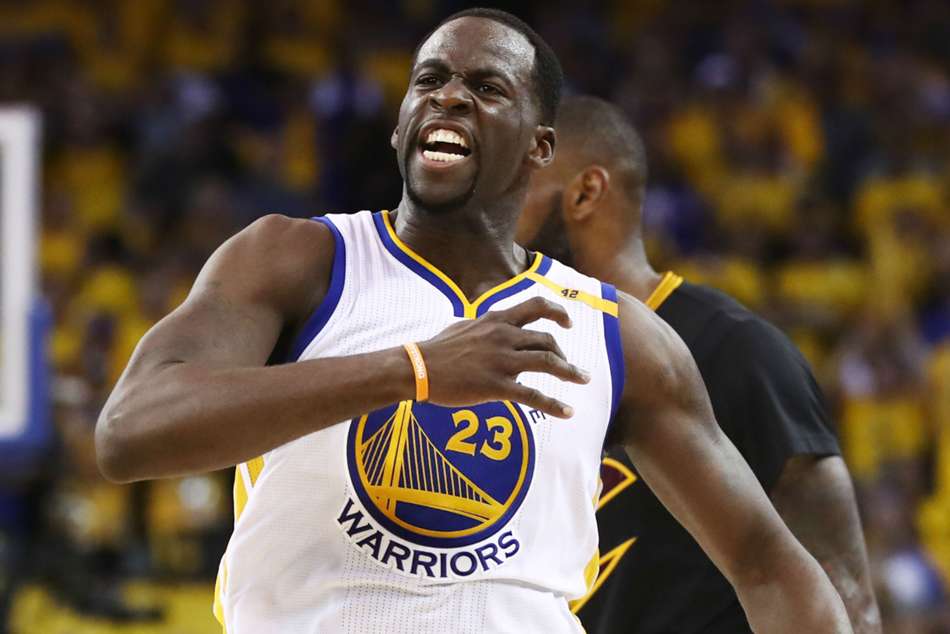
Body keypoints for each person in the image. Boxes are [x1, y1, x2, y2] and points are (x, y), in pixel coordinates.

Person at [95, 9, 851, 633]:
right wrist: (413, 371)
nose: (449, 97)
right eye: (429, 80)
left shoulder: (615, 334)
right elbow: (129, 431)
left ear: (539, 147)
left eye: (487, 87)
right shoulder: (298, 259)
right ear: (400, 129)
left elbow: (769, 565)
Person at [518, 94, 881, 633]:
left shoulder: (737, 352)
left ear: (585, 193)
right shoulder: (523, 360)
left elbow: (846, 593)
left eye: (515, 190)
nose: (492, 219)